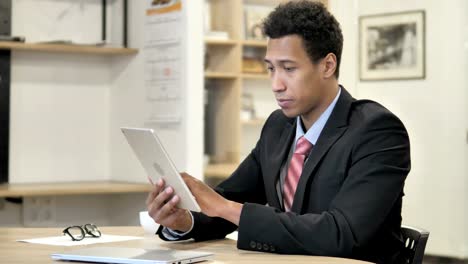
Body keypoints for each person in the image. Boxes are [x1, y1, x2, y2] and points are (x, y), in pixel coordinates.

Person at [146, 1, 410, 263]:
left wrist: (226, 208)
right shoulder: (278, 127)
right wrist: (184, 220)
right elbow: (230, 199)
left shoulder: (378, 132)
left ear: (328, 66)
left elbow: (341, 234)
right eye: (271, 68)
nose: (276, 84)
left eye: (289, 68)